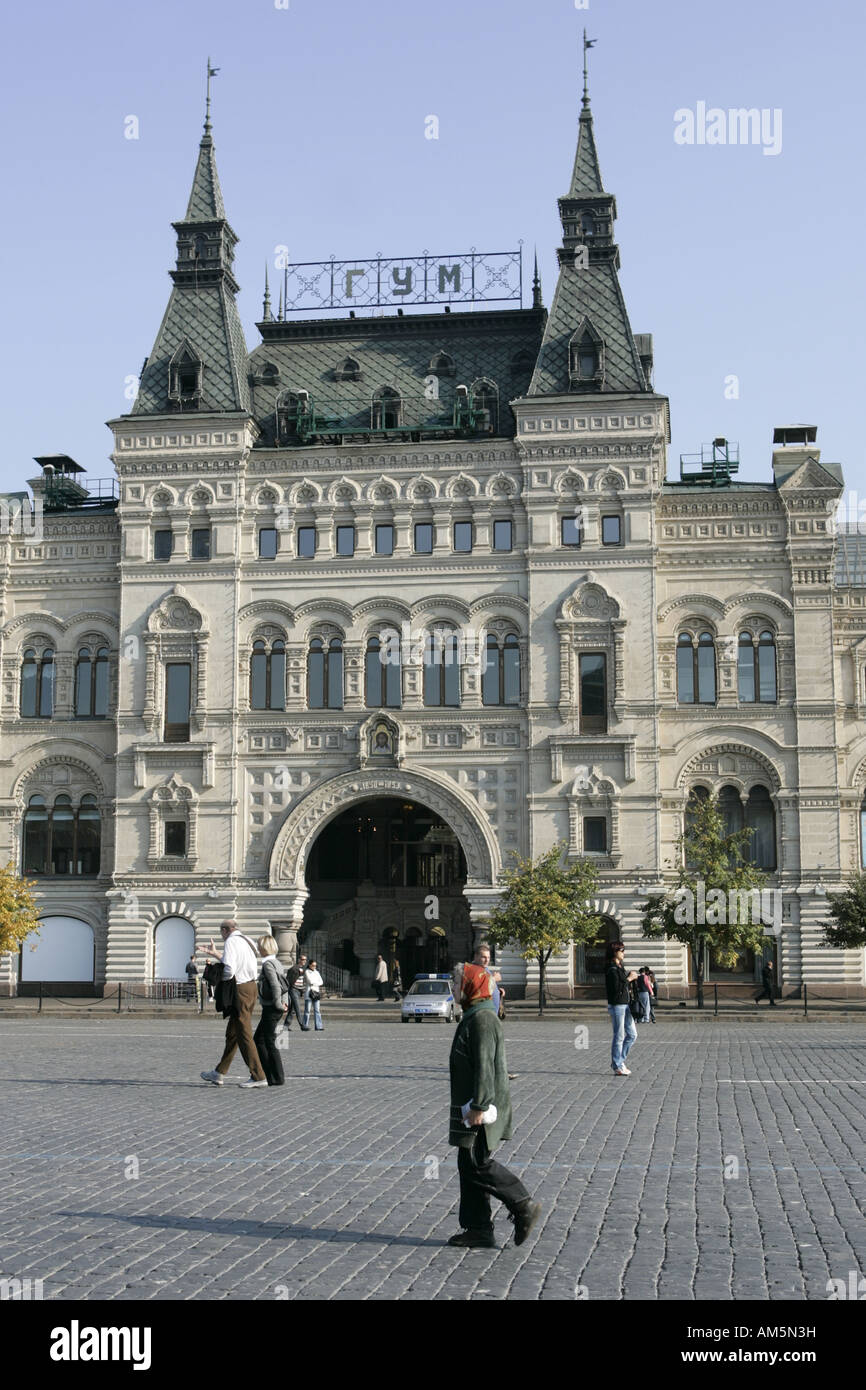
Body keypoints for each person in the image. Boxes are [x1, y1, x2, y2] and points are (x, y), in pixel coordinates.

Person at [447, 962, 541, 1250]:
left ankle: (522, 1203)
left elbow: (485, 1066)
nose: (453, 988)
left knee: (477, 1163)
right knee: (468, 1163)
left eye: (456, 983)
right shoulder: (475, 1015)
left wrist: (479, 1105)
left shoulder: (482, 1020)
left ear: (470, 986)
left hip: (479, 1107)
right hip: (470, 1104)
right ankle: (478, 1228)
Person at [200, 920, 267, 1088]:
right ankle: (219, 1072)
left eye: (221, 932)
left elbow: (229, 969)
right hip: (251, 987)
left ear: (225, 930)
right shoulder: (247, 940)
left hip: (240, 989)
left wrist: (218, 979)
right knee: (233, 1033)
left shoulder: (230, 941)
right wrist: (216, 954)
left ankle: (258, 1076)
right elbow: (238, 963)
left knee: (244, 1033)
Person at [253, 935, 289, 1086]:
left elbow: (276, 985)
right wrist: (285, 1003)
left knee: (266, 1041)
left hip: (272, 1007)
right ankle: (273, 1076)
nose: (257, 948)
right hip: (276, 1006)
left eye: (259, 946)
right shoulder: (277, 962)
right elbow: (285, 984)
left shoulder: (268, 964)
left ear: (264, 948)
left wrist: (278, 1004)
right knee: (262, 1040)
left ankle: (274, 1076)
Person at [605, 941, 638, 1076]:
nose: (624, 953)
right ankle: (617, 1065)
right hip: (617, 1005)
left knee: (632, 1035)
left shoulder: (620, 967)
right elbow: (616, 987)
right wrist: (629, 979)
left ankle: (619, 1061)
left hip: (625, 1004)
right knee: (619, 1036)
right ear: (615, 952)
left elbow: (623, 985)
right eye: (622, 950)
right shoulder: (611, 968)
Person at [285, 953, 307, 1030]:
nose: (304, 961)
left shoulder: (303, 969)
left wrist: (302, 989)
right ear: (299, 960)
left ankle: (286, 1026)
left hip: (298, 991)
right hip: (293, 990)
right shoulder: (294, 969)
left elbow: (301, 980)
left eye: (305, 960)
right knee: (297, 1008)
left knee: (292, 1009)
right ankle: (302, 1025)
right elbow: (288, 980)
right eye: (303, 959)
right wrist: (290, 987)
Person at [303, 959, 324, 1031]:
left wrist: (315, 983)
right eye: (313, 965)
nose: (314, 967)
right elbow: (310, 981)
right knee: (307, 1011)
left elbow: (321, 982)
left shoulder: (317, 972)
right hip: (309, 993)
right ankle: (305, 1025)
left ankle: (318, 1026)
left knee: (317, 1010)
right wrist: (316, 982)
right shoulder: (306, 971)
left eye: (315, 966)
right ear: (309, 965)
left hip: (316, 992)